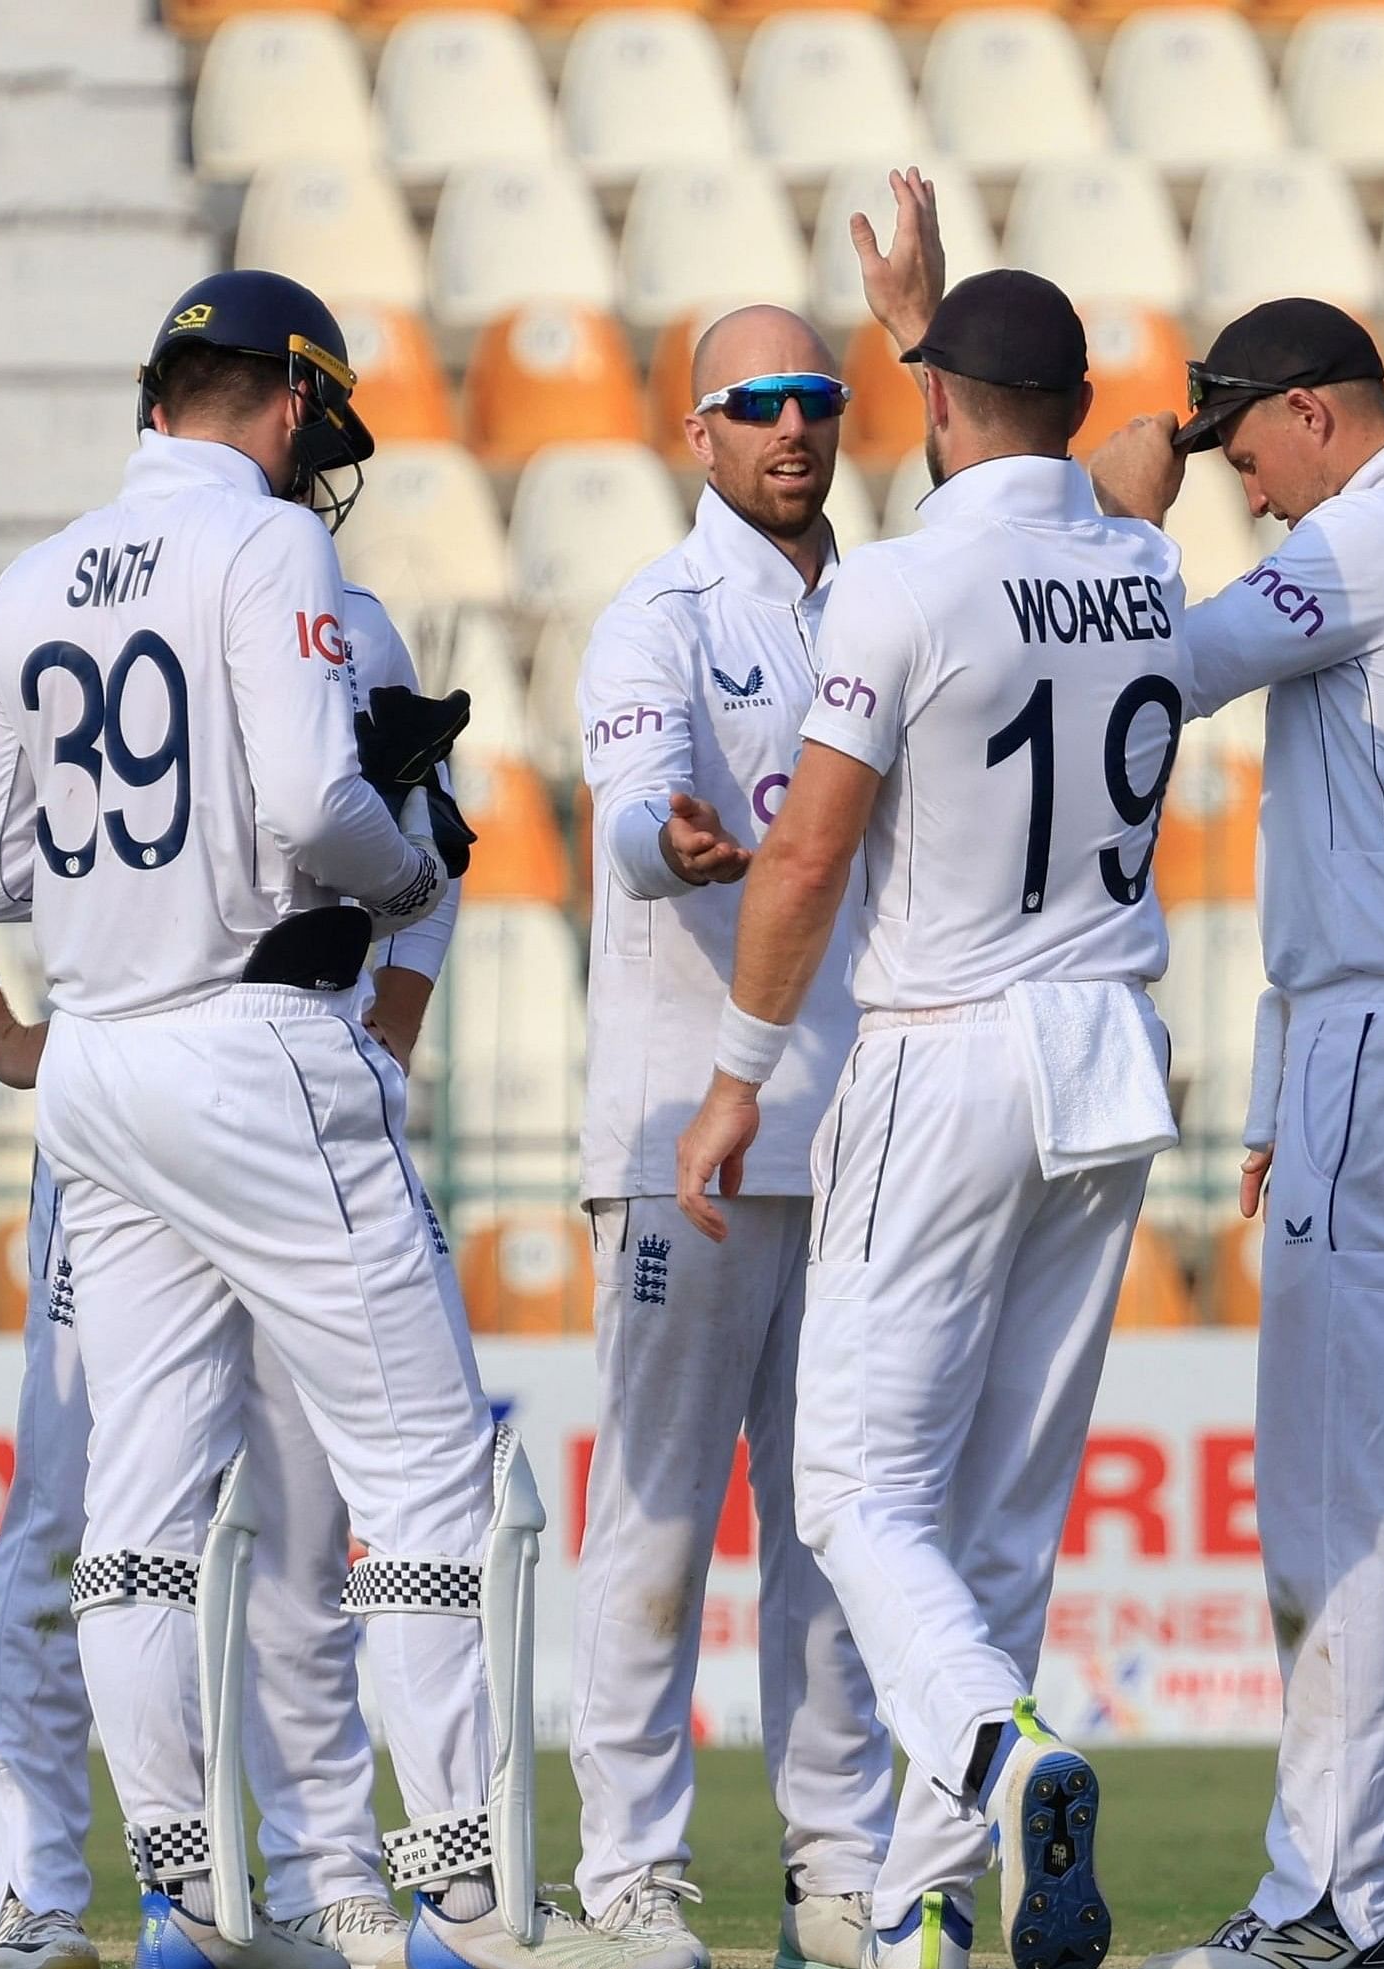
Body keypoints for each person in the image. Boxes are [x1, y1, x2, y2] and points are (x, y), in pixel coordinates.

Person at [0, 267, 629, 1969]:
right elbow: (325, 811)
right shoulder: (268, 545)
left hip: (98, 1058)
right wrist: (401, 877)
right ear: (289, 396)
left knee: (143, 1506)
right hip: (256, 1039)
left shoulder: (30, 582)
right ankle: (467, 1887)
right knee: (419, 1469)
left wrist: (130, 880)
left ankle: (192, 1887)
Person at [674, 176, 1184, 1969]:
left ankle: (994, 1743)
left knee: (853, 1499)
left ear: (940, 411)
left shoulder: (892, 583)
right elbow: (1090, 482)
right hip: (1112, 1056)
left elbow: (805, 861)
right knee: (1001, 1512)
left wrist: (740, 1072)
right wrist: (930, 333)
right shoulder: (1141, 563)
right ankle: (925, 1906)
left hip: (948, 1048)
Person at [0, 581, 454, 1969]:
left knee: (281, 1518)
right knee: (84, 1512)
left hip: (230, 1091)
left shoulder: (346, 623)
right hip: (170, 1093)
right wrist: (3, 1038)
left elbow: (430, 848)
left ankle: (310, 1879)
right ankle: (50, 1890)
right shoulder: (145, 607)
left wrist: (390, 1039)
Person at [1083, 302, 1384, 1969]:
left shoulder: (1374, 535)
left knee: (1330, 1493)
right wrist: (1291, 1081)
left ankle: (1326, 1901)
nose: (1248, 491)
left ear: (1310, 412)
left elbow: (1167, 668)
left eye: (1246, 451)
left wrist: (1119, 518)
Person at [570, 303, 898, 1969]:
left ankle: (836, 1867)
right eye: (757, 404)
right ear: (698, 431)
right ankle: (630, 1870)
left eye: (818, 401)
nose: (792, 428)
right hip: (679, 1125)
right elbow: (627, 803)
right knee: (657, 1512)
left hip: (857, 1127)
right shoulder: (660, 613)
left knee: (834, 1516)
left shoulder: (890, 600)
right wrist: (664, 838)